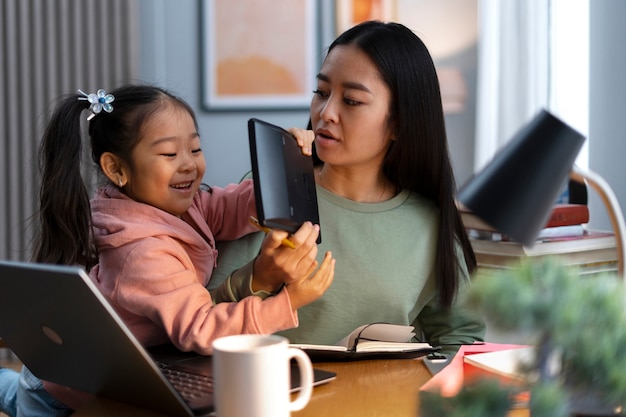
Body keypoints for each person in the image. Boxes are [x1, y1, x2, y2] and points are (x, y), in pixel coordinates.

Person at [0, 84, 334, 417]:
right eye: (169, 155)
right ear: (116, 169)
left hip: (122, 370)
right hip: (65, 392)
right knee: (18, 400)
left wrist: (289, 161)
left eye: (195, 149)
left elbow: (232, 207)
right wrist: (288, 302)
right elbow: (203, 330)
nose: (189, 165)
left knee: (14, 391)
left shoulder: (182, 206)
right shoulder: (142, 253)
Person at [212, 20, 485, 352]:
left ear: (399, 122)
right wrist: (258, 278)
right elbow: (201, 319)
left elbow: (461, 340)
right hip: (280, 397)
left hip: (382, 401)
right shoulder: (267, 191)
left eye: (352, 100)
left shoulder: (429, 224)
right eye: (322, 93)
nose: (326, 113)